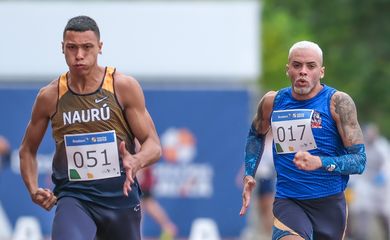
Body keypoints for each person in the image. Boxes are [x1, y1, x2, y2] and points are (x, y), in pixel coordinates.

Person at [19, 15, 162, 240]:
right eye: (72, 47)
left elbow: (153, 145)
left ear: (100, 47)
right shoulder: (50, 96)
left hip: (120, 198)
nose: (79, 55)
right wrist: (32, 188)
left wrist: (137, 160)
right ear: (62, 48)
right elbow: (27, 150)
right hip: (74, 197)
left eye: (87, 47)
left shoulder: (122, 87)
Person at [239, 40, 366, 240]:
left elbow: (359, 161)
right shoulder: (273, 102)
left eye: (311, 66)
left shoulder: (338, 103)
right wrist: (249, 173)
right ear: (288, 69)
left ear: (321, 71)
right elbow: (256, 134)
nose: (303, 71)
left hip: (329, 203)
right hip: (289, 201)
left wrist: (320, 162)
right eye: (297, 65)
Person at [348, 123, 389, 240]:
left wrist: (383, 175)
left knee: (384, 214)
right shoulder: (361, 146)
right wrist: (352, 180)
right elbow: (357, 164)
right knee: (362, 211)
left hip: (382, 186)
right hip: (365, 184)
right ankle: (360, 236)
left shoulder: (382, 145)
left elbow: (387, 164)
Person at [138, 167, 178, 239]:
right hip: (142, 186)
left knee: (142, 212)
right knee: (141, 213)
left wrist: (138, 175)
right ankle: (168, 228)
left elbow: (144, 165)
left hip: (143, 186)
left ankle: (169, 228)